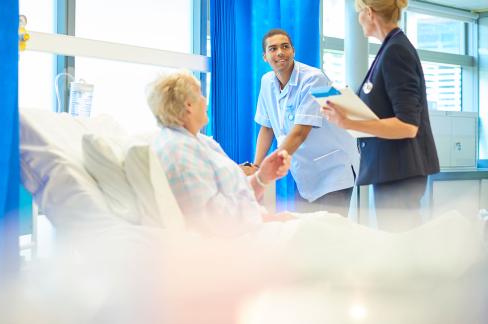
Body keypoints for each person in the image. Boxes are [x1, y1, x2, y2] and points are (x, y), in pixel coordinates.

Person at [321, 0, 440, 232]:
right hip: (393, 169)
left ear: (369, 13)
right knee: (396, 244)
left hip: (401, 170)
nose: (358, 20)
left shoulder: (396, 51)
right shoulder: (390, 49)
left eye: (359, 14)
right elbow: (386, 110)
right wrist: (349, 110)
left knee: (399, 246)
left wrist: (348, 122)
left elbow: (407, 125)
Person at [146, 71, 292, 236]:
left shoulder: (202, 142)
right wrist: (270, 220)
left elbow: (235, 195)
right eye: (200, 95)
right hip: (241, 239)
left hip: (255, 225)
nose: (205, 101)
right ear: (188, 105)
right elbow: (212, 220)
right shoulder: (177, 150)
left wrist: (262, 177)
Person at [250, 28, 360, 217]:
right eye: (273, 49)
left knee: (330, 236)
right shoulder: (267, 81)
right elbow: (266, 127)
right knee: (306, 237)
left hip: (334, 169)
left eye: (285, 47)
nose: (280, 53)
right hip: (305, 175)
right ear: (265, 56)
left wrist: (269, 170)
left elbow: (300, 132)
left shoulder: (314, 78)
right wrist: (257, 166)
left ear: (293, 51)